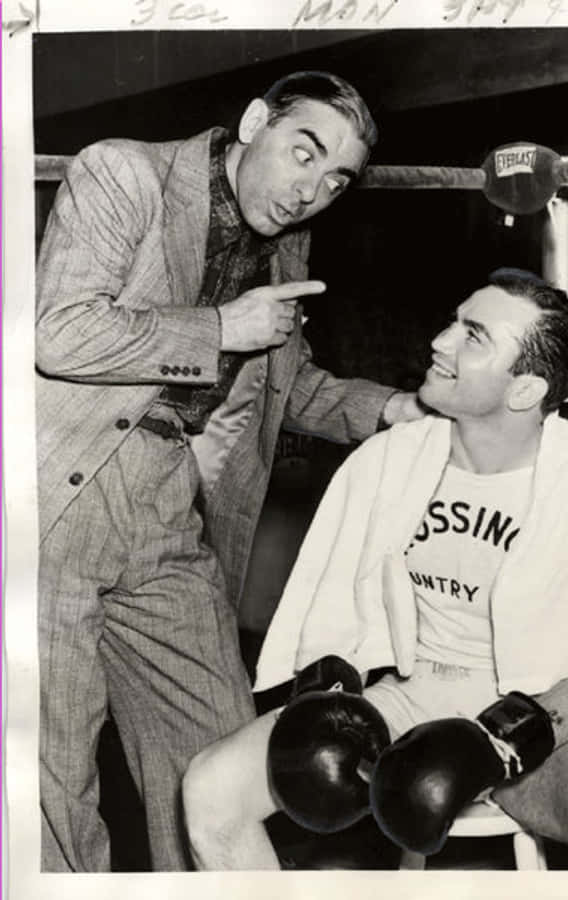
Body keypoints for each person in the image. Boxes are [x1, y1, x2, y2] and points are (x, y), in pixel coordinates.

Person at [35, 70, 423, 872]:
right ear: (255, 121)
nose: (308, 191)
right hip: (57, 496)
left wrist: (394, 411)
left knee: (218, 757)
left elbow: (289, 380)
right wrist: (219, 325)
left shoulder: (283, 249)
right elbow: (61, 334)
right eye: (302, 152)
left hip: (167, 505)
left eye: (334, 180)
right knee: (54, 777)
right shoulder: (123, 172)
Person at [182, 269, 568, 871]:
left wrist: (501, 739)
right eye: (453, 322)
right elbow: (334, 612)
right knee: (210, 788)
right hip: (410, 702)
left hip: (542, 718)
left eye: (473, 336)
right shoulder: (389, 460)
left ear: (524, 390)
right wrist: (330, 700)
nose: (440, 342)